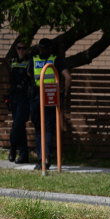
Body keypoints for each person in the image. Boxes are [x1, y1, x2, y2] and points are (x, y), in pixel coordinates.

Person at [28, 38, 72, 170]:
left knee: (39, 129)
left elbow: (29, 73)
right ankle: (45, 158)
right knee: (46, 129)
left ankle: (43, 158)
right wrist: (63, 92)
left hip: (36, 97)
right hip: (50, 97)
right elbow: (68, 77)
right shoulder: (55, 60)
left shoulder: (34, 60)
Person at [7, 40, 31, 163]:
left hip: (25, 98)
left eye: (23, 48)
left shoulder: (29, 62)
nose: (21, 50)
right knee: (19, 127)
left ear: (27, 49)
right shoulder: (12, 62)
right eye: (19, 48)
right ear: (16, 49)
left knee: (16, 126)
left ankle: (12, 149)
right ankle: (23, 155)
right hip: (14, 97)